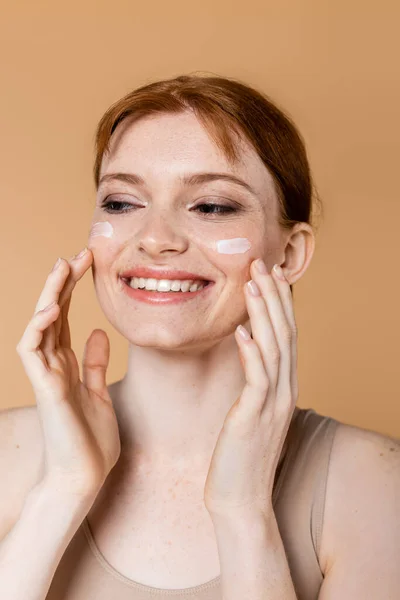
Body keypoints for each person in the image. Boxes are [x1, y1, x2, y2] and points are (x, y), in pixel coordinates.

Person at [1, 73, 399, 600]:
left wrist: (244, 511)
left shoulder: (375, 486)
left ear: (292, 252)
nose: (155, 239)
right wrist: (61, 492)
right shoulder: (8, 455)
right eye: (121, 203)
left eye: (211, 206)